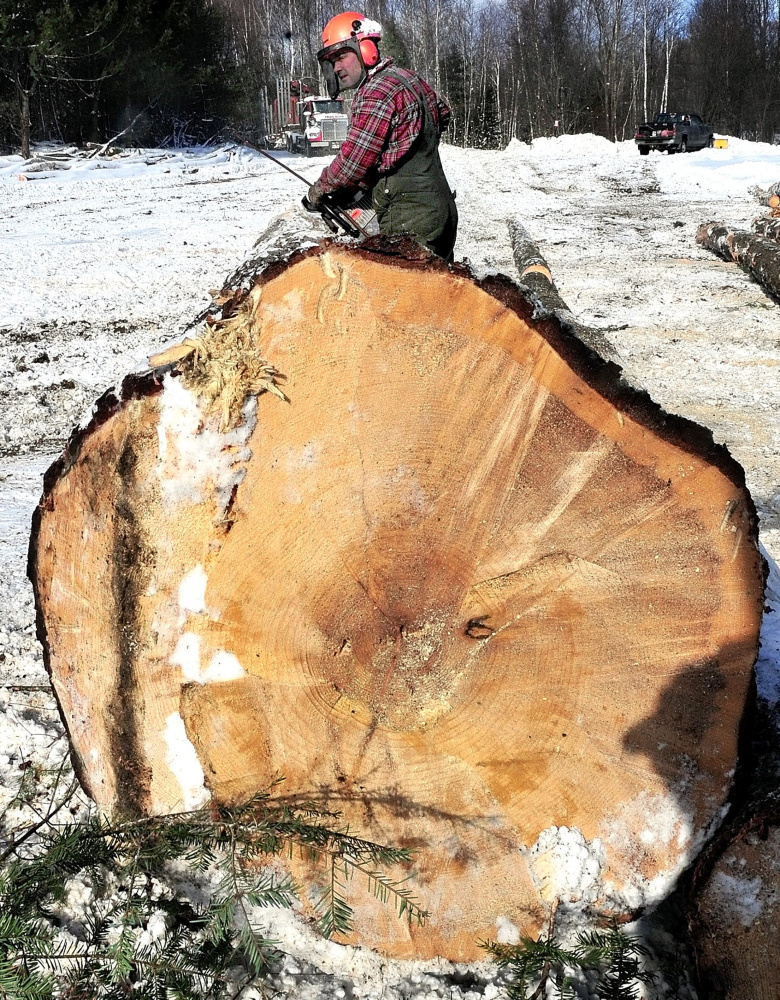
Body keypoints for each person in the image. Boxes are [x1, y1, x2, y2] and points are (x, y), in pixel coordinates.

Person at [307, 11, 458, 262]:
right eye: (332, 61)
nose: (337, 67)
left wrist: (320, 189)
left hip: (410, 218)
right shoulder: (409, 78)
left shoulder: (375, 91)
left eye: (341, 56)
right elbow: (443, 115)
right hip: (442, 208)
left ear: (366, 49)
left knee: (403, 296)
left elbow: (353, 161)